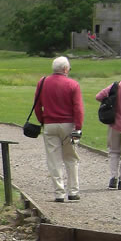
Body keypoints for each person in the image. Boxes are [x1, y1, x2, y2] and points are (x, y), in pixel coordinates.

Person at [34, 55, 83, 202]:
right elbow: (78, 108)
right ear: (66, 69)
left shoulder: (42, 83)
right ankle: (73, 191)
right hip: (69, 125)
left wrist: (42, 120)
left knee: (54, 160)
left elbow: (37, 106)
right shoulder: (73, 84)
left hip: (50, 124)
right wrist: (79, 127)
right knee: (71, 158)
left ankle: (59, 193)